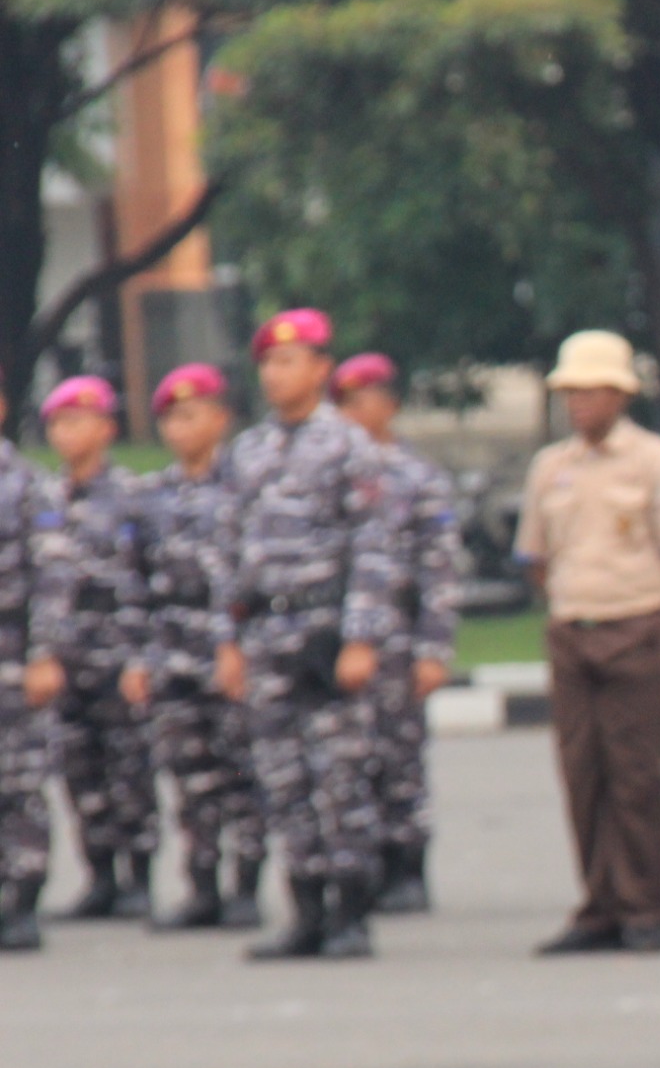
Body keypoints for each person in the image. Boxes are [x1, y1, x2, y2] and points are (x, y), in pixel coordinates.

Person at [219, 309, 406, 961]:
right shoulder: (247, 451)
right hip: (266, 631)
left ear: (322, 369)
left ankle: (351, 913)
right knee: (282, 780)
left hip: (325, 631)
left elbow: (375, 548)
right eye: (268, 363)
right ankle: (306, 912)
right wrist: (227, 640)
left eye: (288, 361)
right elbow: (228, 552)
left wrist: (362, 639)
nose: (275, 374)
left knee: (339, 778)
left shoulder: (350, 446)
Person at [514, 330, 660, 955]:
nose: (579, 402)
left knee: (635, 776)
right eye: (570, 391)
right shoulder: (551, 467)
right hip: (574, 628)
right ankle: (598, 906)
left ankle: (643, 906)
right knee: (582, 774)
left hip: (639, 624)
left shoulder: (654, 461)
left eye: (591, 390)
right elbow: (536, 558)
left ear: (621, 395)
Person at [130, 365, 264, 931]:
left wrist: (242, 646)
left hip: (230, 651)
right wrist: (139, 656)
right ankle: (202, 887)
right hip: (173, 653)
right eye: (170, 418)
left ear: (220, 418)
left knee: (243, 775)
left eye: (190, 415)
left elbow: (254, 577)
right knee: (189, 779)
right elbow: (135, 584)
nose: (178, 428)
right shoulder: (152, 496)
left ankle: (246, 888)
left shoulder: (249, 486)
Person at [330, 353, 461, 915]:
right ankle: (361, 865)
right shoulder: (329, 473)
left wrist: (433, 649)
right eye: (344, 403)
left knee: (399, 757)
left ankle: (407, 866)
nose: (353, 414)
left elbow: (439, 569)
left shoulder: (417, 477)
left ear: (391, 405)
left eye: (364, 401)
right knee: (347, 758)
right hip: (339, 637)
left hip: (398, 637)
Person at [28, 376, 155, 921]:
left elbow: (151, 581)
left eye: (77, 421)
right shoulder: (43, 497)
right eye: (57, 423)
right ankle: (99, 875)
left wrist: (143, 655)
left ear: (106, 428)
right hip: (65, 653)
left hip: (117, 651)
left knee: (129, 770)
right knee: (79, 771)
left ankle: (138, 877)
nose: (65, 433)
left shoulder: (133, 496)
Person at [0, 388, 50, 951]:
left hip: (13, 652)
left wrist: (46, 652)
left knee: (19, 783)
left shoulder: (25, 483)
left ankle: (23, 900)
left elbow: (51, 576)